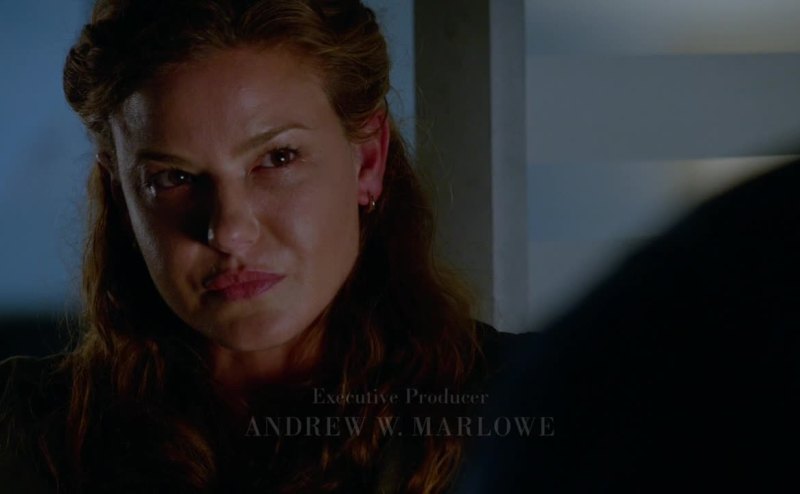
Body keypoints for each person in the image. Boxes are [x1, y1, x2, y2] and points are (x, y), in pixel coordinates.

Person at [0, 1, 523, 492]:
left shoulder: (524, 405)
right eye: (173, 177)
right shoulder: (23, 436)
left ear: (367, 161)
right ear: (121, 197)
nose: (229, 231)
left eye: (278, 159)